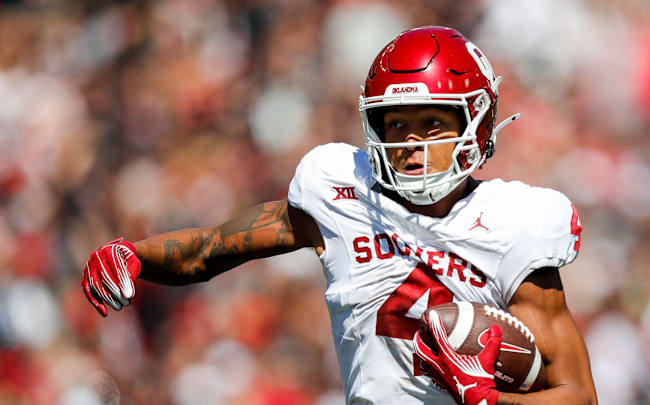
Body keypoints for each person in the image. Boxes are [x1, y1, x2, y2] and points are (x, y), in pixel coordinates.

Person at [82, 26, 598, 405]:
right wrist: (134, 254)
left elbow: (577, 396)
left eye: (433, 123)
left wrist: (488, 403)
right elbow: (210, 250)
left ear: (477, 122)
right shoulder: (339, 190)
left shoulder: (518, 222)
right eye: (395, 123)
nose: (411, 142)